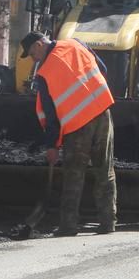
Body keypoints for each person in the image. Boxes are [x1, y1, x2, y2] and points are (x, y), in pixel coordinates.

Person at [21, 31, 117, 236]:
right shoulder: (77, 44)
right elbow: (103, 69)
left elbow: (51, 114)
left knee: (74, 175)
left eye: (31, 54)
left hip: (77, 125)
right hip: (102, 112)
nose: (33, 59)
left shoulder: (44, 73)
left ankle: (68, 225)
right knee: (104, 169)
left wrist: (52, 146)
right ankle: (108, 222)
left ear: (39, 44)